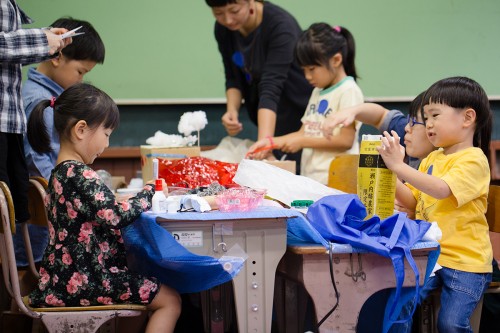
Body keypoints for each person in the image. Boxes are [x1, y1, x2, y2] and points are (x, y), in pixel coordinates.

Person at [27, 83, 181, 332]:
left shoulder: (61, 172)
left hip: (67, 278)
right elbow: (114, 216)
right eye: (107, 134)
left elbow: (99, 210)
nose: (107, 143)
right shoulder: (77, 173)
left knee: (147, 297)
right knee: (170, 300)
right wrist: (150, 191)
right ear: (81, 130)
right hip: (84, 280)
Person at [378, 76, 493, 332]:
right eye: (426, 117)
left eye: (435, 115)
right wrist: (390, 170)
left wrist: (399, 166)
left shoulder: (473, 160)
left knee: (450, 324)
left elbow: (442, 190)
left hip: (466, 262)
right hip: (431, 254)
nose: (428, 124)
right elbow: (411, 200)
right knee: (399, 304)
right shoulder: (433, 158)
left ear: (467, 118)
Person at [15, 17, 106, 282]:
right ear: (56, 56)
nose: (80, 81)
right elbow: (41, 161)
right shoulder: (41, 102)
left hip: (37, 222)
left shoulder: (42, 96)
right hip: (36, 224)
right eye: (80, 72)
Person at [248, 23, 363, 184]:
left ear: (336, 60)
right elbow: (304, 132)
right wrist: (271, 143)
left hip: (337, 183)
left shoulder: (348, 90)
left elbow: (345, 141)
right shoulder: (318, 91)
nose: (307, 76)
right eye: (303, 70)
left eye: (311, 69)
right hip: (313, 179)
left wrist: (301, 142)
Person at [205, 0, 313, 173]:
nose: (228, 20)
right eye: (218, 13)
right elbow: (232, 76)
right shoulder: (223, 29)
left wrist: (264, 145)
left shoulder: (280, 26)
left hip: (298, 116)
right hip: (268, 117)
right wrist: (232, 110)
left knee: (290, 176)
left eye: (234, 10)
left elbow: (271, 86)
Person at [0, 0, 70, 237]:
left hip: (9, 122)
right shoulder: (38, 97)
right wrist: (40, 41)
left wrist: (45, 40)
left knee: (9, 219)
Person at [321, 92, 434, 169]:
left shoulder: (445, 171)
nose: (406, 128)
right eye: (409, 121)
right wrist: (352, 111)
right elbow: (380, 116)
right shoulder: (408, 136)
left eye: (414, 122)